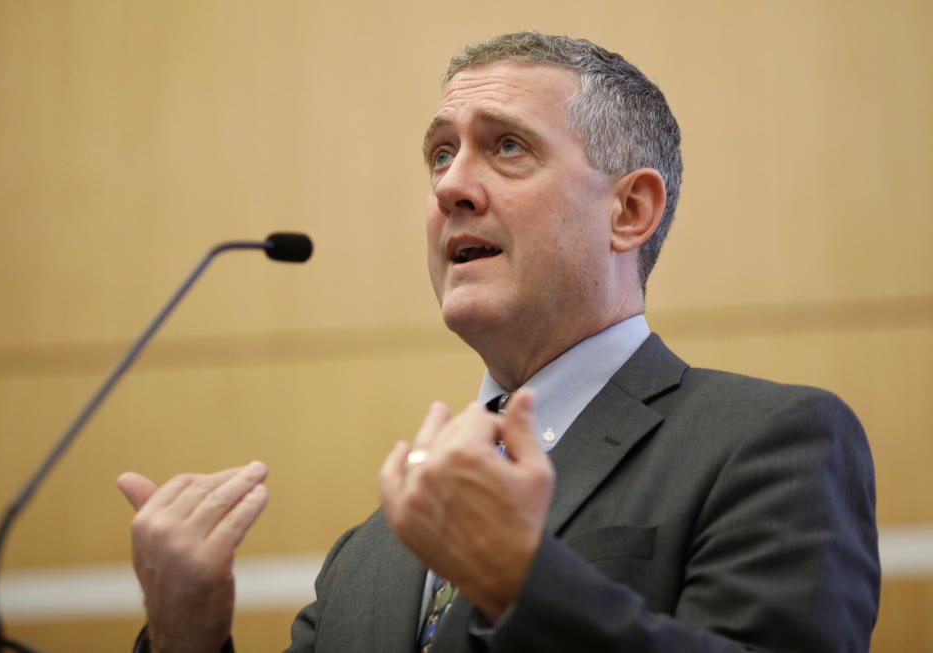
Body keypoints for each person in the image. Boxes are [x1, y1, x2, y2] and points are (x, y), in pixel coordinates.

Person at [118, 31, 880, 653]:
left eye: (507, 146)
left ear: (630, 210)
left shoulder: (768, 442)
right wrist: (187, 636)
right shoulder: (373, 549)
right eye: (441, 154)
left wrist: (524, 582)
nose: (450, 185)